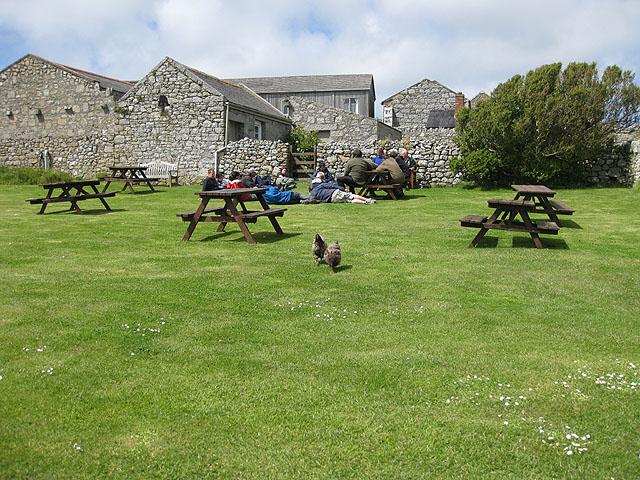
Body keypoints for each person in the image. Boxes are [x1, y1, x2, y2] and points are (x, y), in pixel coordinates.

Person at [309, 172, 376, 204]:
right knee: (351, 196)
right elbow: (331, 186)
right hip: (333, 193)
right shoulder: (321, 186)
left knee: (349, 200)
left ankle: (364, 202)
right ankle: (367, 199)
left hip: (332, 200)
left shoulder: (312, 195)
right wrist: (343, 189)